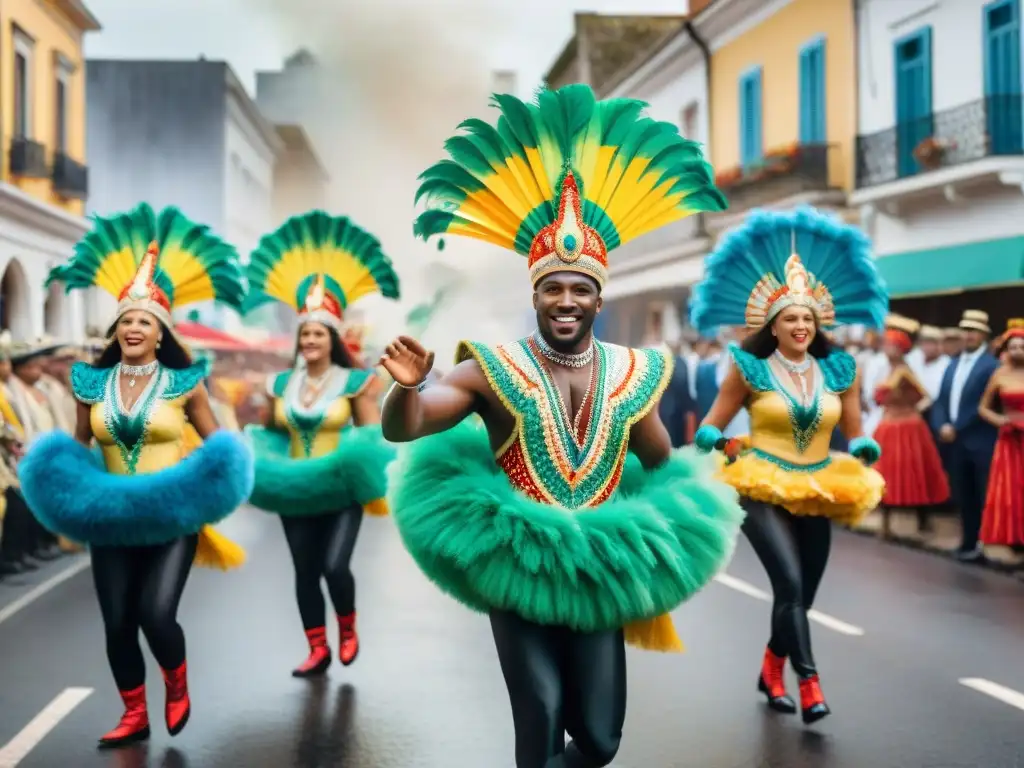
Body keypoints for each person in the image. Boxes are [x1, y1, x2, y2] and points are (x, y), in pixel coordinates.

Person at [380, 83, 744, 768]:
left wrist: (714, 466)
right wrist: (407, 389)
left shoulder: (634, 373)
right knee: (542, 715)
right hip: (519, 562)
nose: (566, 299)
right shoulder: (492, 369)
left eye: (581, 289)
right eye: (553, 288)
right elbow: (410, 426)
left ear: (599, 300)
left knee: (600, 741)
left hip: (596, 572)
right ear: (536, 295)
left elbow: (662, 463)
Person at [17, 204, 254, 749]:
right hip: (111, 521)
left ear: (160, 331)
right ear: (115, 329)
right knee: (119, 622)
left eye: (144, 321)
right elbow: (77, 449)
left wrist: (199, 487)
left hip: (170, 518)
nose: (133, 328)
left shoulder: (184, 384)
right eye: (126, 320)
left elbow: (218, 447)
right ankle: (133, 713)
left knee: (155, 614)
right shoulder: (90, 385)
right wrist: (58, 481)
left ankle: (176, 679)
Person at [691, 206, 887, 725]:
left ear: (817, 324)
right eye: (790, 319)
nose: (800, 326)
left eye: (807, 319)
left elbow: (855, 431)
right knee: (791, 587)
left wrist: (864, 449)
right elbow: (709, 427)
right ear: (772, 326)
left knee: (804, 594)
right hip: (759, 483)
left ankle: (771, 668)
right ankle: (811, 685)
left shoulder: (841, 369)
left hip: (819, 483)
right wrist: (723, 442)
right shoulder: (749, 368)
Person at [242, 210, 399, 677]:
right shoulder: (279, 384)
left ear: (332, 340)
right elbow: (270, 432)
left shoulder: (354, 383)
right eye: (305, 334)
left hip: (340, 487)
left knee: (334, 566)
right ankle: (317, 647)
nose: (310, 340)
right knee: (305, 572)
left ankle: (347, 626)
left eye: (318, 333)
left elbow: (370, 435)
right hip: (295, 488)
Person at [871, 315, 950, 537]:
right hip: (888, 424)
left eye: (891, 346)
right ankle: (886, 523)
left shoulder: (904, 371)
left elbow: (925, 396)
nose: (887, 349)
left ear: (900, 349)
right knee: (885, 472)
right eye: (886, 345)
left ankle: (922, 519)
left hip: (907, 426)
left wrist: (912, 410)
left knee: (914, 472)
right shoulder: (885, 369)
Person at [931, 310, 1000, 562]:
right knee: (963, 494)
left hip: (980, 440)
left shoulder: (992, 366)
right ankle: (967, 542)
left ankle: (983, 545)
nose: (968, 335)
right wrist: (941, 424)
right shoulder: (952, 363)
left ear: (983, 335)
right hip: (955, 442)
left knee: (982, 494)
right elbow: (941, 399)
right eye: (965, 330)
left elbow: (980, 406)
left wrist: (956, 427)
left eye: (973, 331)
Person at [978, 319, 1024, 548]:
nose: (1017, 351)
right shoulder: (999, 375)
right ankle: (1015, 539)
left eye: (1022, 347)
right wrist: (1000, 420)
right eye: (1013, 347)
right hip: (1009, 440)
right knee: (1011, 489)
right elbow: (983, 408)